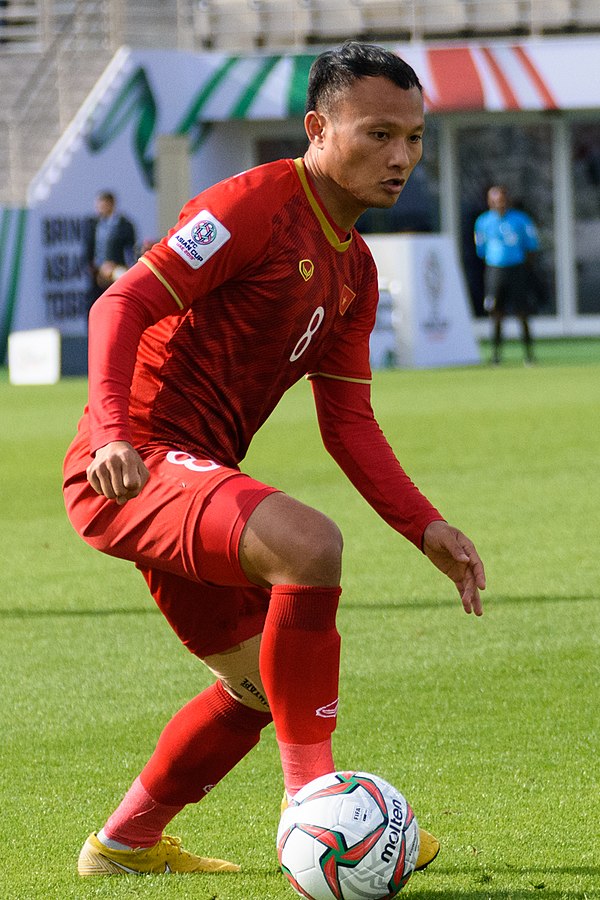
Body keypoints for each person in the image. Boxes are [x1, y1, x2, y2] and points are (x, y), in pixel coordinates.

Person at [63, 41, 486, 879]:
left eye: (414, 138)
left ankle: (123, 845)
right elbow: (123, 301)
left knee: (261, 687)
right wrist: (111, 428)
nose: (400, 157)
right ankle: (316, 806)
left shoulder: (355, 271)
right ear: (316, 129)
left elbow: (350, 425)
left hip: (191, 474)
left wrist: (424, 525)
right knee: (308, 545)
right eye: (377, 134)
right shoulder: (254, 204)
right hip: (133, 462)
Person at [474, 184, 540, 365]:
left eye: (501, 200)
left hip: (516, 269)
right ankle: (496, 355)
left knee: (522, 312)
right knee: (495, 312)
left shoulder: (520, 220)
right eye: (494, 200)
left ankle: (529, 355)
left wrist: (524, 266)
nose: (498, 203)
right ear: (489, 202)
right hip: (495, 270)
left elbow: (531, 245)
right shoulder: (483, 222)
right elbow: (481, 249)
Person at [84, 190, 137, 310]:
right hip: (97, 274)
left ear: (111, 204)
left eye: (103, 204)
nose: (99, 208)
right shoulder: (92, 224)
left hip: (116, 272)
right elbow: (88, 249)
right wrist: (93, 267)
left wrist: (121, 268)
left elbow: (130, 250)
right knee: (94, 305)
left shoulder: (125, 225)